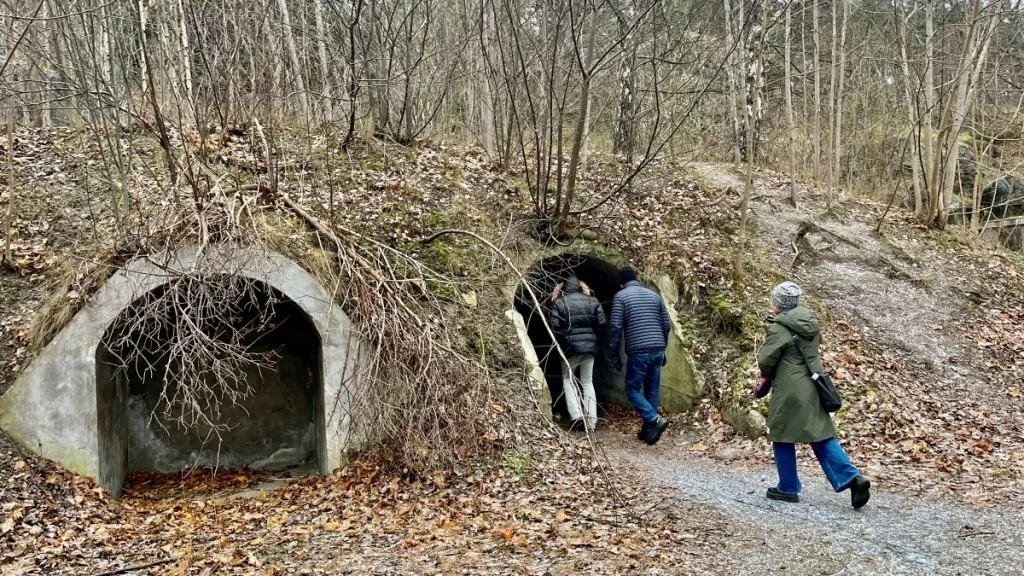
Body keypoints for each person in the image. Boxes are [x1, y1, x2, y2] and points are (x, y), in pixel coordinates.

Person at [757, 281, 871, 509]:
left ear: (778, 304)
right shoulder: (808, 323)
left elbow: (765, 360)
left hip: (790, 390)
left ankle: (788, 488)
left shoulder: (780, 327)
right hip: (813, 384)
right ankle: (851, 478)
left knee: (781, 434)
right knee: (819, 435)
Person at [608, 266, 671, 445]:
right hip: (657, 349)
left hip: (639, 351)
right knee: (652, 390)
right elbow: (666, 325)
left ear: (621, 283)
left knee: (632, 390)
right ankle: (648, 431)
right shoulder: (654, 295)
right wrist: (662, 347)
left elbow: (615, 327)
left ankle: (654, 419)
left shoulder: (621, 297)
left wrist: (614, 354)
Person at [548, 275, 607, 430]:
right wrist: (592, 336)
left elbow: (555, 326)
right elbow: (602, 323)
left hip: (570, 349)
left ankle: (576, 416)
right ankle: (592, 421)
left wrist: (565, 340)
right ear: (580, 286)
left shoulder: (558, 303)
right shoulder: (592, 301)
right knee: (587, 382)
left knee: (568, 379)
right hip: (589, 348)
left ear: (563, 288)